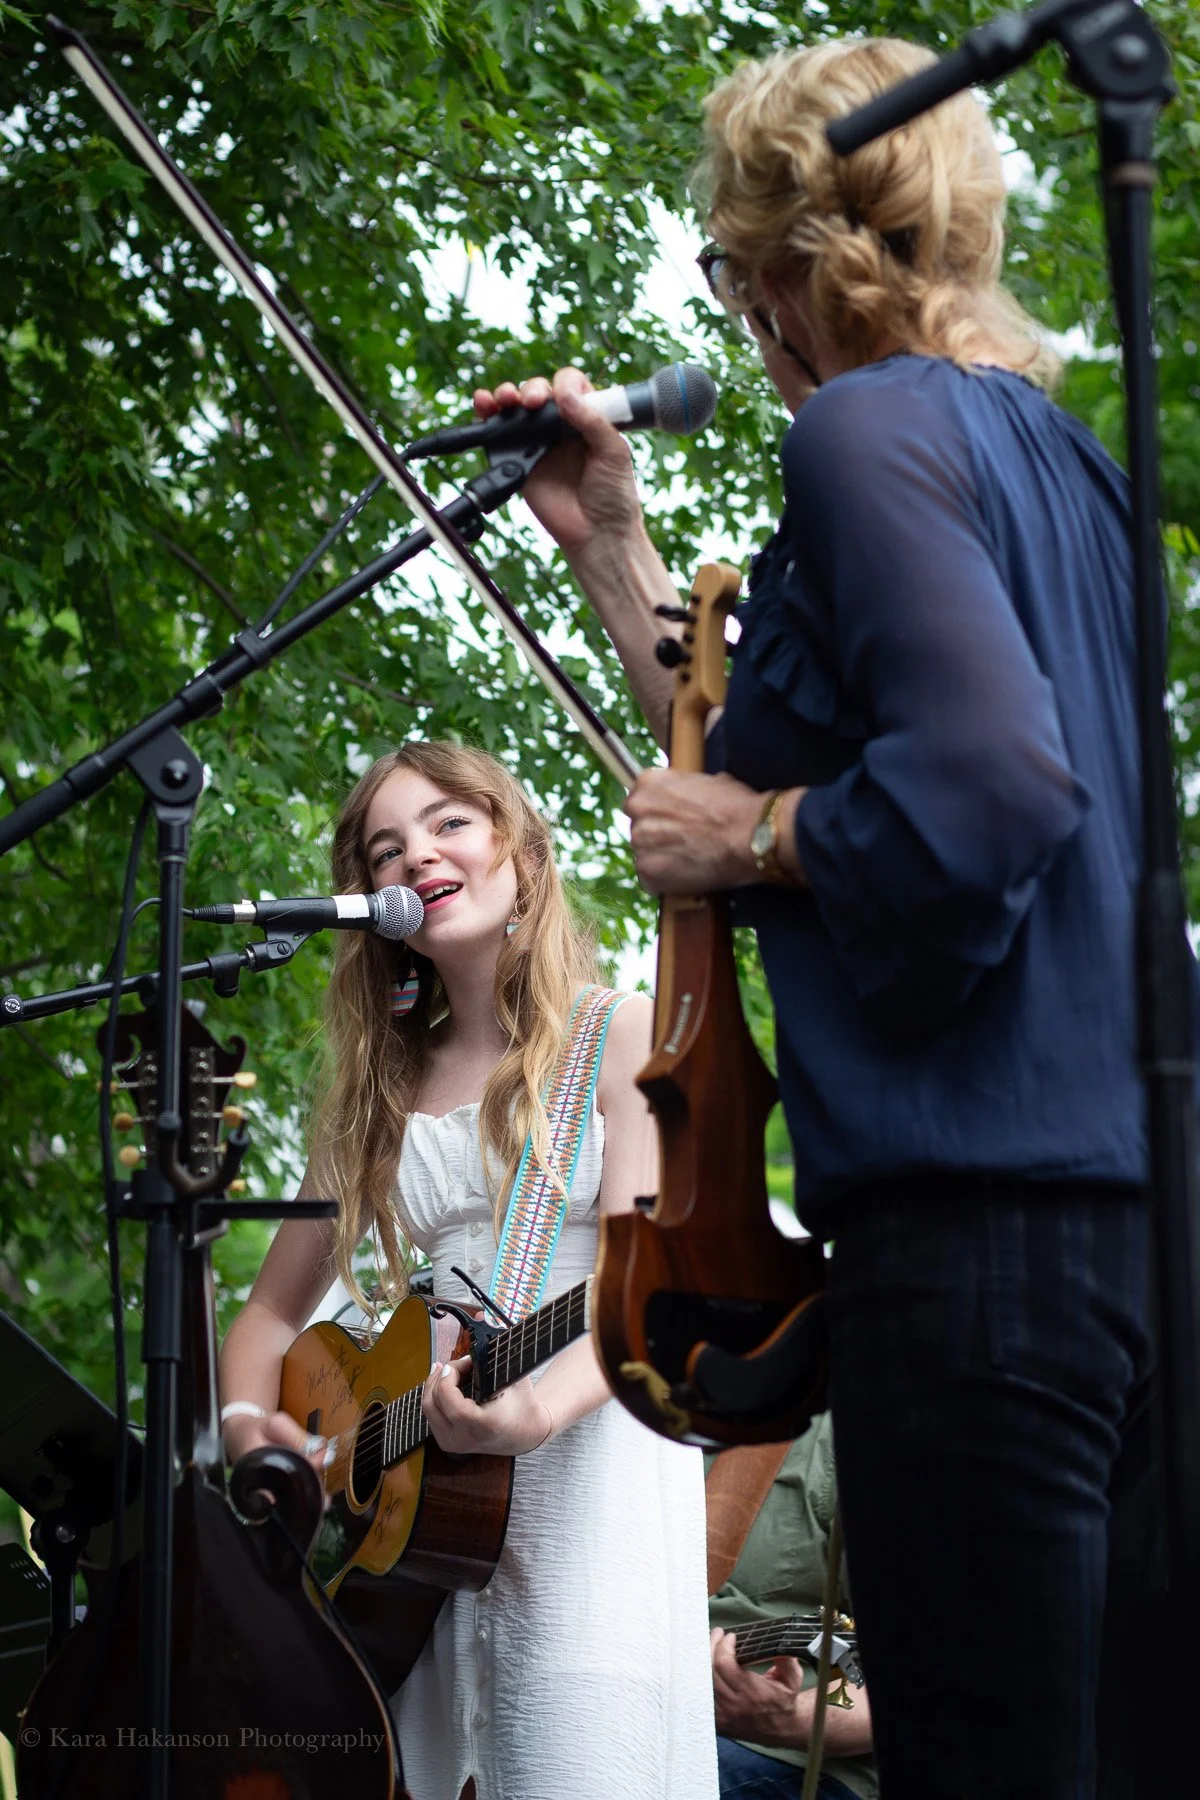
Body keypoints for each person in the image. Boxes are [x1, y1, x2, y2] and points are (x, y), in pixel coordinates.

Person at [472, 36, 1167, 1800]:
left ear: (791, 261)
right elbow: (747, 735)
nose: (744, 305)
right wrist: (609, 546)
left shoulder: (866, 431)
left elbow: (985, 796)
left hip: (977, 1249)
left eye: (731, 261)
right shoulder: (1068, 470)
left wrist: (757, 838)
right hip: (1135, 1249)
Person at [218, 740, 718, 1800]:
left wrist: (532, 1416)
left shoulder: (618, 1031)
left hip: (593, 1493)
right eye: (384, 849)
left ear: (519, 849)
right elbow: (265, 1321)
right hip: (420, 1555)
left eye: (449, 822)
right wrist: (248, 1430)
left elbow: (648, 1279)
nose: (417, 857)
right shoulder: (381, 1099)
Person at [708, 1413, 877, 1800]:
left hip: (783, 1761)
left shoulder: (858, 1437)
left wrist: (787, 1719)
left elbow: (913, 1693)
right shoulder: (621, 1423)